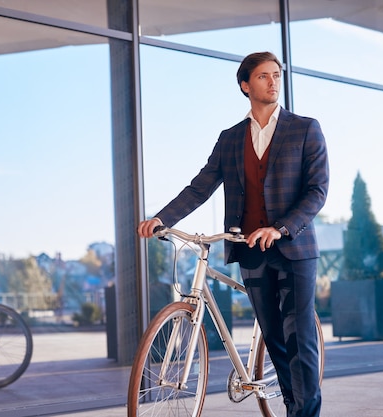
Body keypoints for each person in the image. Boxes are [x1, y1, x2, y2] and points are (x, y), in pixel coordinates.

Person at [137, 51, 329, 417]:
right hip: (250, 251)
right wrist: (160, 218)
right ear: (245, 85)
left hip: (295, 249)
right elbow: (200, 188)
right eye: (263, 76)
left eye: (276, 75)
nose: (273, 82)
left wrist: (280, 227)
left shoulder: (305, 128)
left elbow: (317, 191)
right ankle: (293, 407)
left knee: (299, 340)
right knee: (274, 340)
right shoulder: (230, 139)